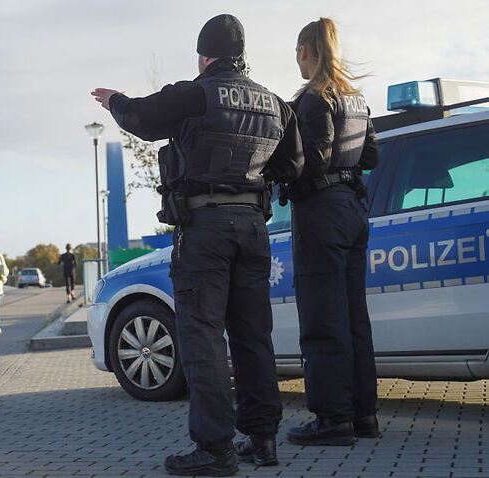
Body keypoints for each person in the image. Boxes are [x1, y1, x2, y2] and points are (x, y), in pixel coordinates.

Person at [92, 14, 303, 476]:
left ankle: (214, 450)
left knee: (203, 339)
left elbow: (142, 118)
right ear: (241, 55)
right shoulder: (275, 103)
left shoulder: (194, 92)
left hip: (205, 229)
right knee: (252, 336)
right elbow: (293, 165)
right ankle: (263, 440)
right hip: (252, 228)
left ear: (205, 55)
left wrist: (114, 101)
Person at [284, 18, 380, 446]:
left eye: (298, 52)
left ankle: (332, 421)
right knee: (355, 319)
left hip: (321, 216)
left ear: (308, 50)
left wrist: (286, 178)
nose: (297, 61)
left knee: (324, 321)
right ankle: (364, 416)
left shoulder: (313, 99)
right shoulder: (356, 99)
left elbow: (315, 160)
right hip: (353, 212)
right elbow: (372, 156)